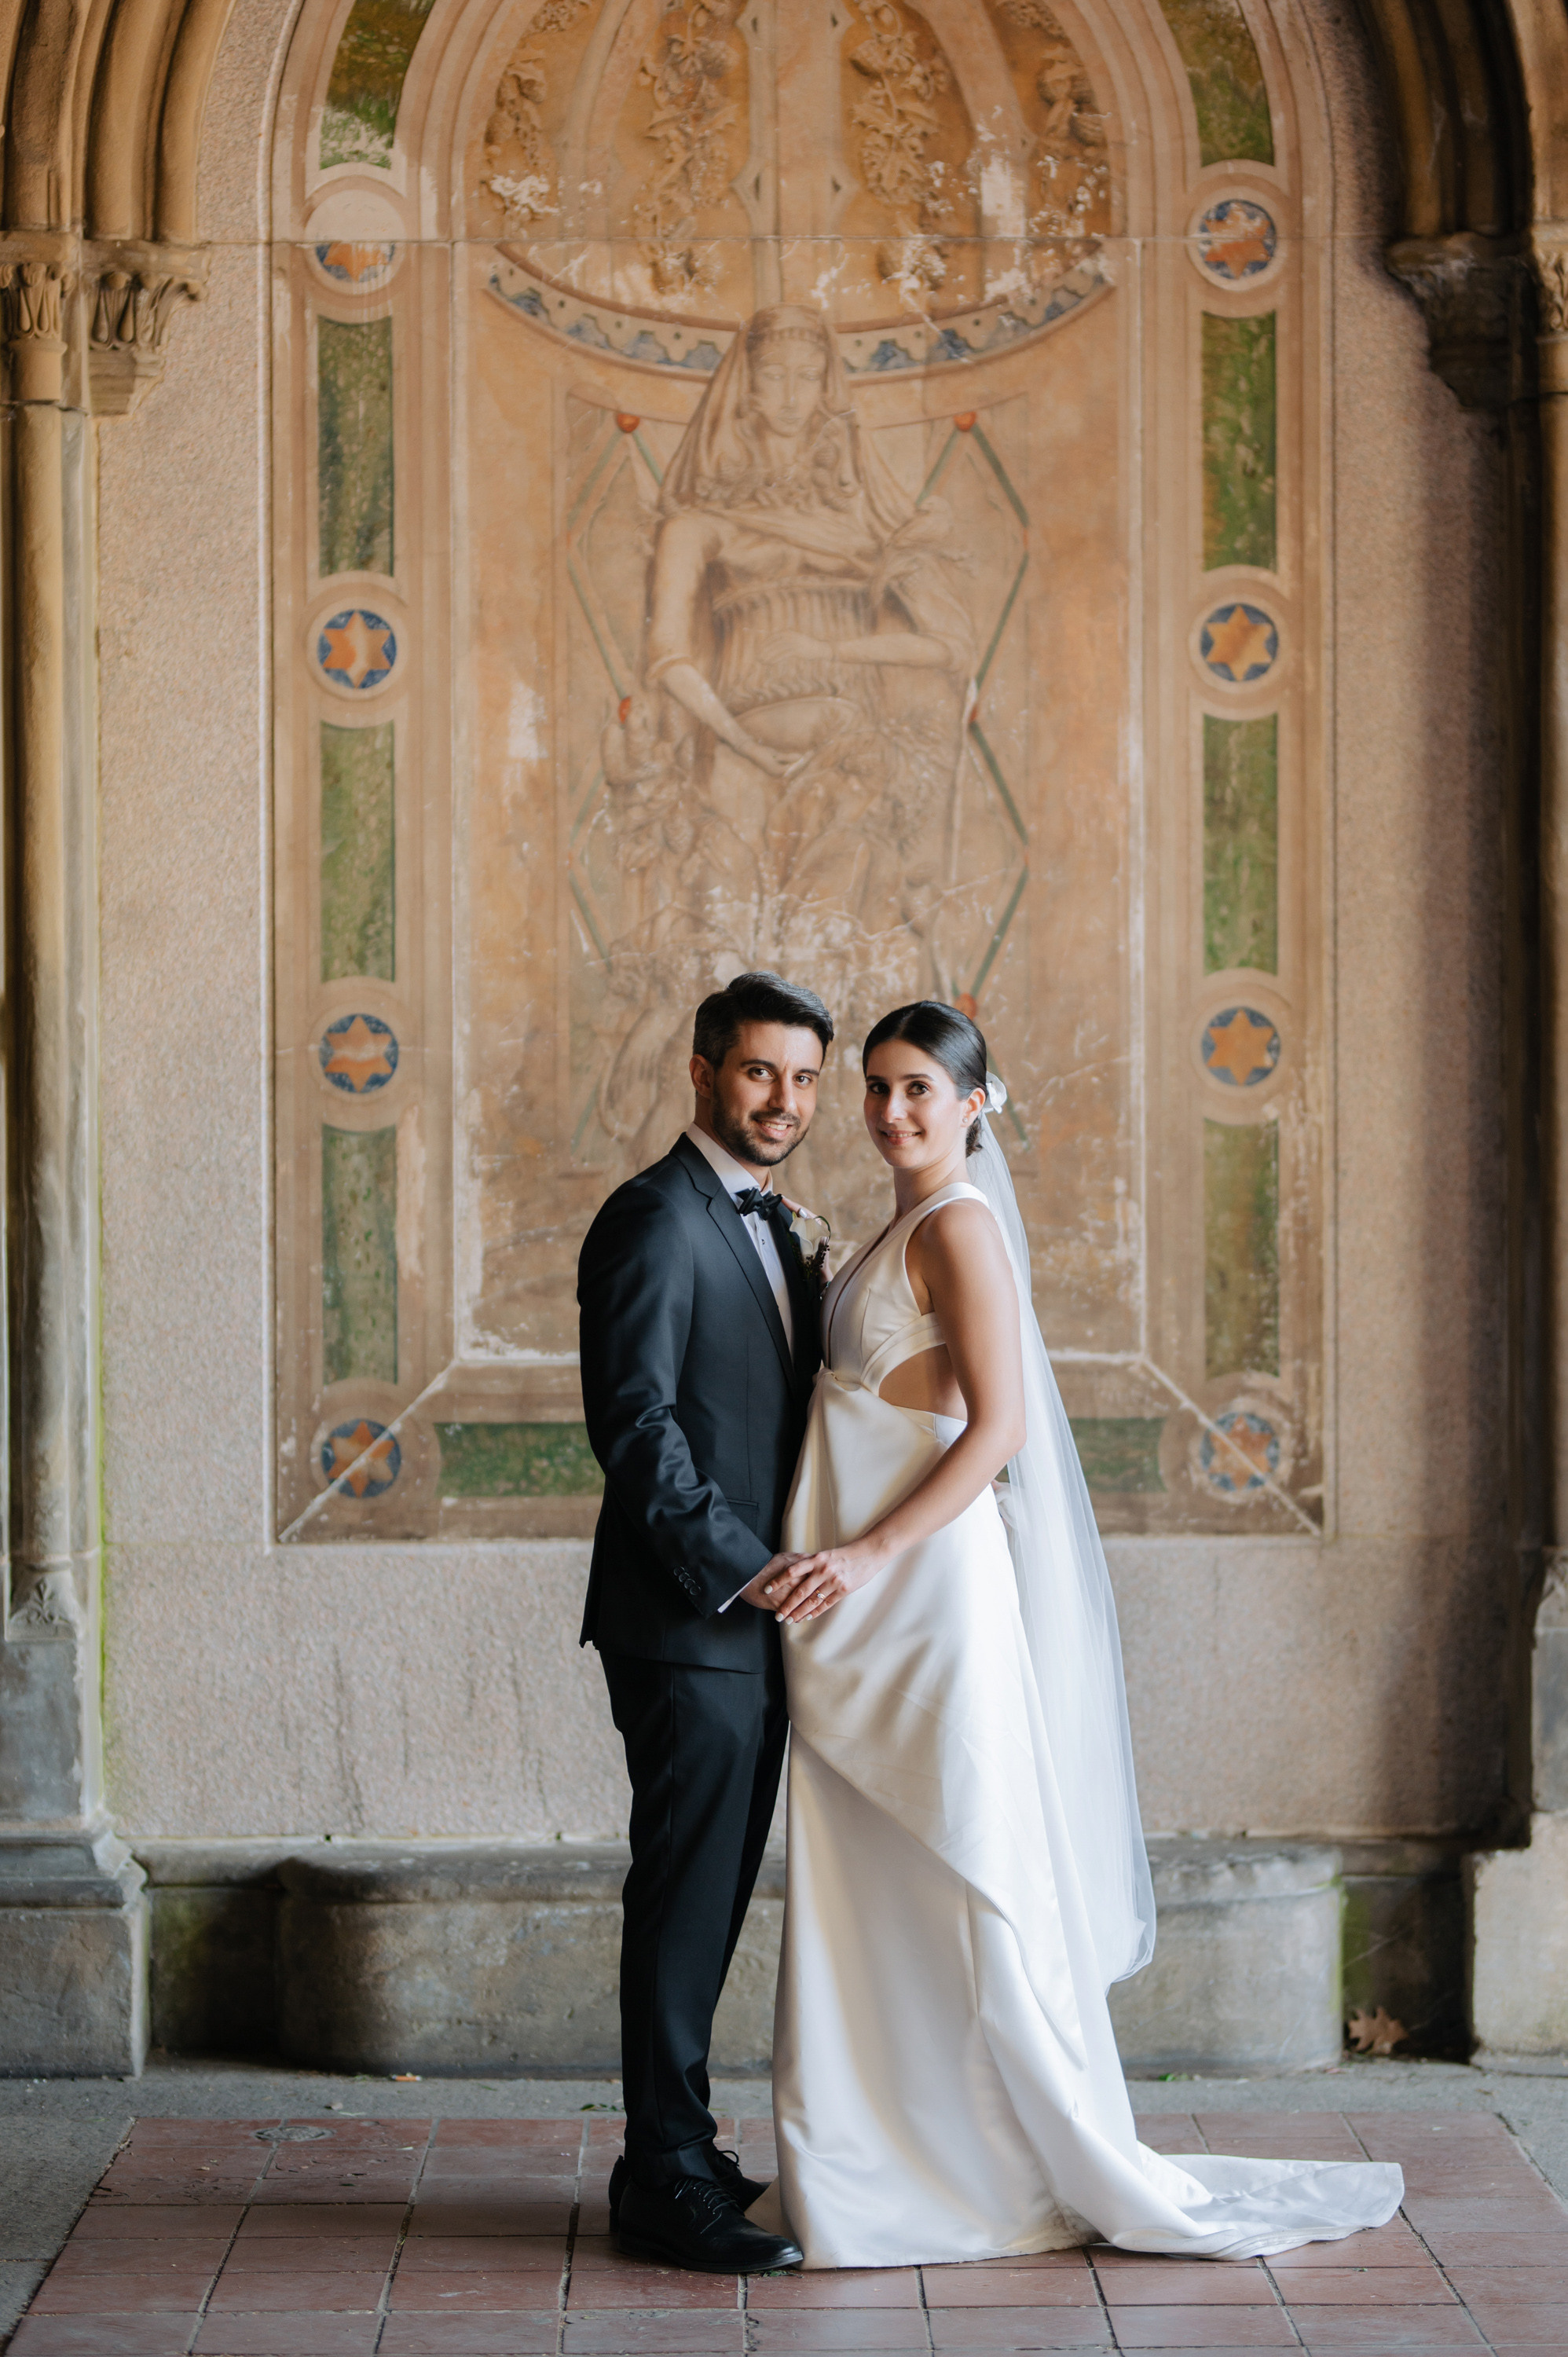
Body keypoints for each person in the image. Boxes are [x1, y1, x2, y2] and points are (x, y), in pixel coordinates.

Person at [751, 1001, 1405, 2267]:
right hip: (870, 1602)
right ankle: (885, 2159)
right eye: (878, 1088)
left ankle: (994, 2163)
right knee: (878, 1883)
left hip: (925, 1593)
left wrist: (868, 1554)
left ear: (976, 1105)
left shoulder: (959, 1229)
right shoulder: (893, 1224)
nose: (892, 1112)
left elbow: (994, 1431)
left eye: (920, 1092)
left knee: (963, 1860)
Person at [577, 968, 834, 2275]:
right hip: (690, 1621)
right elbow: (636, 1425)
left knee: (717, 1890)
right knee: (683, 1895)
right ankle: (660, 2174)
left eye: (802, 1078)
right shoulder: (652, 1218)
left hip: (753, 1622)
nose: (783, 1100)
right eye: (758, 1073)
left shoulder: (770, 1223)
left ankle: (679, 2145)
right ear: (702, 1073)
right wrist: (745, 1571)